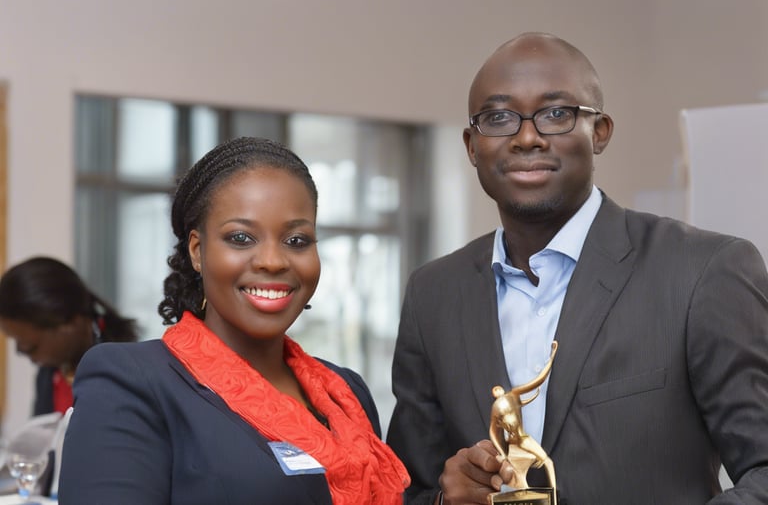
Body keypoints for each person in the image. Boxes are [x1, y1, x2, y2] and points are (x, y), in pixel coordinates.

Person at [386, 32, 768, 504]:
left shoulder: (702, 271)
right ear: (471, 144)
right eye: (499, 117)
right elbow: (402, 489)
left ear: (600, 131)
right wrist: (446, 500)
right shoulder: (433, 294)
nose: (527, 137)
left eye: (556, 114)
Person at [59, 136, 410, 504]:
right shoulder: (132, 381)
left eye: (297, 240)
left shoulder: (345, 392)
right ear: (198, 251)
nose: (273, 261)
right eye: (241, 238)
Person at [0, 256, 140, 416]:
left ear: (69, 324)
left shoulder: (124, 373)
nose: (21, 352)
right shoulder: (50, 374)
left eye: (30, 347)